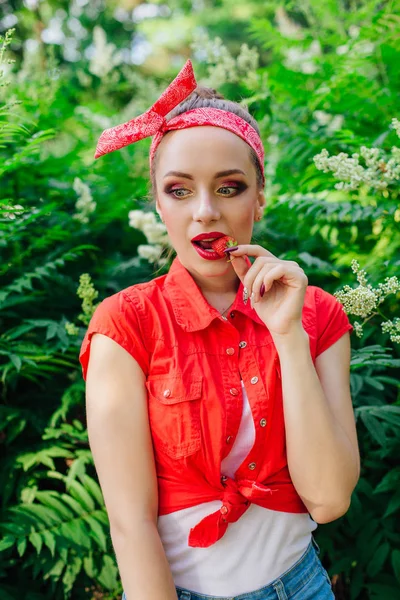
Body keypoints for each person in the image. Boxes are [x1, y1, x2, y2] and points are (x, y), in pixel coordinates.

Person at [79, 60, 360, 600]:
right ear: (158, 203)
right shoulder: (125, 325)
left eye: (229, 188)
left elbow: (328, 500)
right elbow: (130, 525)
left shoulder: (318, 314)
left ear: (259, 197)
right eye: (180, 191)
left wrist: (288, 337)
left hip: (302, 587)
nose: (205, 212)